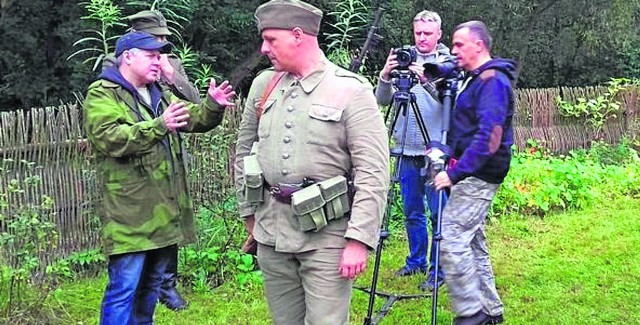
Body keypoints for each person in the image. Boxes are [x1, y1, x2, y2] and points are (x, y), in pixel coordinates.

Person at [234, 0, 389, 324]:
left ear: (297, 35)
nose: (264, 49)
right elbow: (243, 150)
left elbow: (373, 172)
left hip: (326, 237)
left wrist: (359, 240)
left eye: (271, 40)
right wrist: (249, 214)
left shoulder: (351, 90)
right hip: (272, 232)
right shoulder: (264, 86)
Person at [83, 31, 235, 324]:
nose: (159, 62)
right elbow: (110, 138)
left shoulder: (157, 93)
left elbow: (194, 117)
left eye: (160, 56)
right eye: (152, 55)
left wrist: (212, 104)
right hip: (129, 214)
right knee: (123, 289)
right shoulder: (103, 93)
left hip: (164, 213)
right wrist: (159, 126)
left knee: (151, 287)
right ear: (128, 56)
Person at [102, 9, 200, 310]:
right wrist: (159, 124)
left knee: (155, 265)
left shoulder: (168, 65)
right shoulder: (114, 66)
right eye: (155, 41)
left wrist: (171, 76)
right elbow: (112, 131)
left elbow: (192, 106)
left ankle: (167, 284)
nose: (161, 49)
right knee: (126, 285)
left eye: (163, 42)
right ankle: (165, 285)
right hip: (136, 181)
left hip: (167, 159)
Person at [433, 20, 517, 325]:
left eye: (459, 44)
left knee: (452, 238)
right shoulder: (475, 77)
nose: (453, 50)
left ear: (479, 45)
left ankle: (471, 314)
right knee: (471, 241)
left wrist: (455, 173)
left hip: (479, 174)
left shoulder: (492, 81)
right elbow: (468, 127)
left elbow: (489, 137)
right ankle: (491, 311)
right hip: (472, 170)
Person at [374, 9, 452, 291]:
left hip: (434, 152)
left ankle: (438, 271)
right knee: (412, 211)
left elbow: (450, 104)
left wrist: (427, 81)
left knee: (437, 213)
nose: (421, 38)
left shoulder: (447, 63)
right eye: (418, 32)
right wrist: (385, 75)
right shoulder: (403, 59)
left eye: (427, 33)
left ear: (438, 34)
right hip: (405, 149)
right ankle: (416, 260)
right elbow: (381, 101)